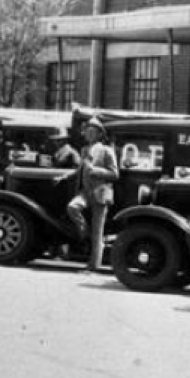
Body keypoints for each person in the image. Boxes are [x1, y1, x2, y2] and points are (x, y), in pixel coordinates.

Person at [66, 116, 119, 273]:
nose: (87, 134)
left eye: (91, 132)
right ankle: (84, 232)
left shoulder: (106, 150)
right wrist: (66, 176)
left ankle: (93, 266)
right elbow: (80, 170)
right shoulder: (83, 150)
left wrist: (95, 171)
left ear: (99, 134)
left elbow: (115, 173)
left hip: (101, 193)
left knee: (98, 232)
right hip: (85, 191)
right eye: (86, 131)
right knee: (72, 207)